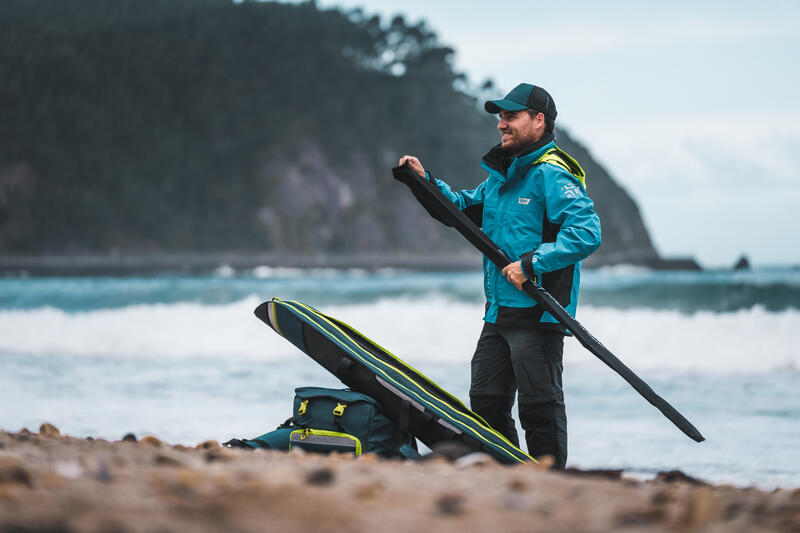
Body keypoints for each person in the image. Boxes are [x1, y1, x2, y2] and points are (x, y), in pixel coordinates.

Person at [398, 83, 601, 469]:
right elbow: (459, 211)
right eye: (500, 117)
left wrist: (530, 264)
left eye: (511, 117)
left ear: (539, 121)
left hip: (538, 312)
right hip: (498, 312)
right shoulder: (502, 178)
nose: (501, 125)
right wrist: (424, 181)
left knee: (539, 406)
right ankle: (508, 472)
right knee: (486, 399)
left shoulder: (551, 175)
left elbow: (586, 233)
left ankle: (549, 481)